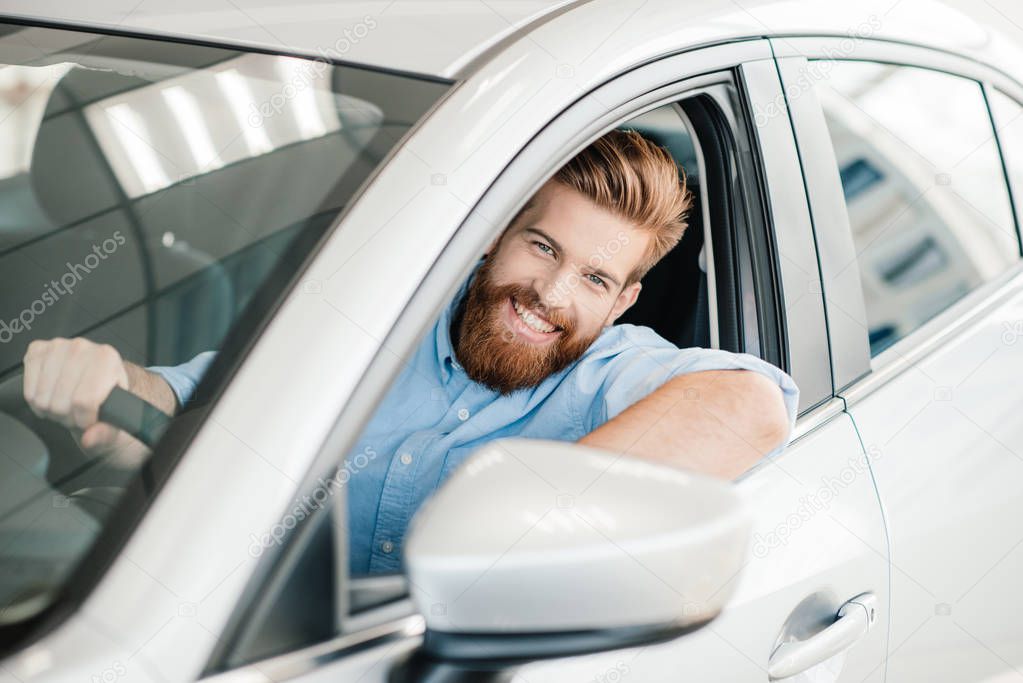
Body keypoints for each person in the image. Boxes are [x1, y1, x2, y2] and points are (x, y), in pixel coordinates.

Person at [22, 129, 798, 574]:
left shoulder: (611, 373)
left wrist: (508, 522)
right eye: (541, 245)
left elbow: (750, 405)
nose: (551, 296)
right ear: (493, 233)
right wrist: (102, 385)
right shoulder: (366, 313)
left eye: (595, 277)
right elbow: (175, 407)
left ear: (623, 301)